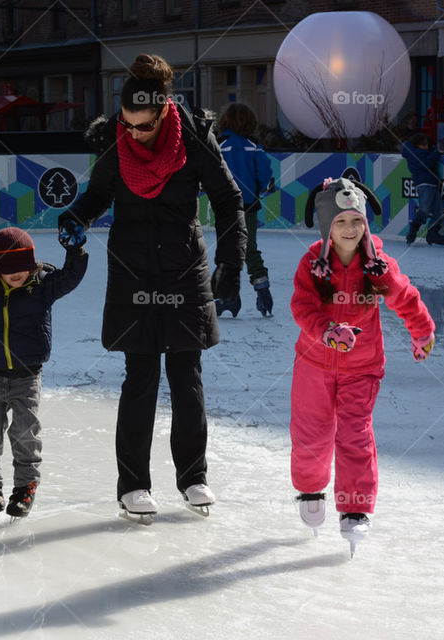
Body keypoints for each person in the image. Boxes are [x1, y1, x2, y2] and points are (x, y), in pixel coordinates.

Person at [57, 53, 246, 522]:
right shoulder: (114, 140)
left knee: (187, 377)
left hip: (184, 267)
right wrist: (76, 217)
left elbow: (228, 199)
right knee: (140, 378)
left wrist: (231, 263)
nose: (133, 133)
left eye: (143, 126)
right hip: (132, 269)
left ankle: (194, 477)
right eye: (127, 124)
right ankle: (133, 486)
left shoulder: (195, 138)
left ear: (164, 113)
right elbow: (99, 194)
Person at [292, 177, 435, 555]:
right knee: (312, 431)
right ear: (327, 227)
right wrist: (326, 332)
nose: (350, 229)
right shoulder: (311, 265)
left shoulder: (377, 265)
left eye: (357, 221)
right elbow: (302, 308)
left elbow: (405, 296)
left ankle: (355, 508)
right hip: (314, 365)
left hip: (362, 366)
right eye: (340, 222)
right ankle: (310, 487)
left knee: (355, 433)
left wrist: (422, 331)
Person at [0, 227, 88, 519]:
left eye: (22, 268)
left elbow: (71, 278)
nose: (16, 275)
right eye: (8, 269)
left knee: (26, 434)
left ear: (32, 265)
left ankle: (25, 487)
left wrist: (76, 251)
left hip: (27, 377)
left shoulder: (41, 288)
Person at [216, 102, 275, 317]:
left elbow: (210, 171)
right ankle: (263, 292)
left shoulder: (219, 144)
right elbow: (265, 172)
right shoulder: (253, 145)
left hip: (225, 207)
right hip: (248, 206)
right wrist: (263, 186)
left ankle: (228, 297)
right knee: (249, 248)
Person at [401, 133, 444, 246]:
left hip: (432, 183)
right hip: (424, 183)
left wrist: (433, 151)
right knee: (424, 209)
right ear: (417, 145)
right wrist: (436, 152)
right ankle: (414, 229)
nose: (426, 147)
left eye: (427, 145)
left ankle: (432, 234)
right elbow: (426, 164)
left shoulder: (421, 152)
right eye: (423, 145)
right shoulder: (415, 154)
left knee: (438, 212)